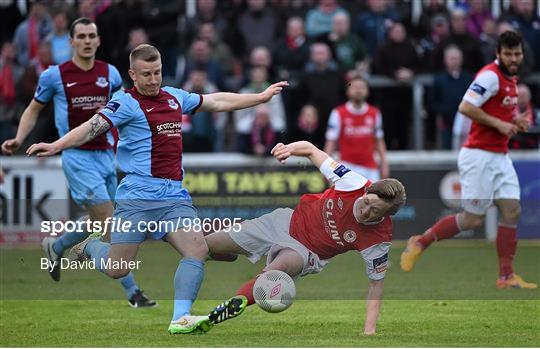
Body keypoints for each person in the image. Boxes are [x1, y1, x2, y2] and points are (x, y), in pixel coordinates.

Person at [26, 43, 288, 334]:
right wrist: (57, 145)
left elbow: (217, 101)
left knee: (197, 250)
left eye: (157, 73)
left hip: (174, 197)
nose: (153, 80)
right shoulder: (125, 103)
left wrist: (261, 97)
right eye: (146, 74)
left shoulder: (175, 97)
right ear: (133, 75)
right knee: (118, 269)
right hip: (137, 198)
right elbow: (91, 128)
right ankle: (89, 246)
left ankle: (180, 318)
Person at [2, 17, 156, 307]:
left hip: (106, 157)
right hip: (77, 157)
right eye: (81, 36)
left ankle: (56, 245)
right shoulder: (54, 76)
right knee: (111, 223)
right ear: (70, 42)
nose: (87, 41)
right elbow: (33, 110)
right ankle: (132, 291)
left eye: (91, 36)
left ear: (98, 41)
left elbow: (124, 110)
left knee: (104, 219)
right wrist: (19, 138)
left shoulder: (110, 74)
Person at [202, 140, 406, 335]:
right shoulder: (352, 181)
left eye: (375, 211)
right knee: (203, 246)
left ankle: (236, 302)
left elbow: (376, 284)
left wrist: (369, 331)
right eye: (368, 201)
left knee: (274, 272)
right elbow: (310, 150)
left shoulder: (379, 238)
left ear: (385, 216)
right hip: (284, 222)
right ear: (368, 190)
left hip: (306, 252)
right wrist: (287, 149)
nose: (366, 210)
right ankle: (227, 254)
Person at [400, 31, 537, 289]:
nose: (513, 58)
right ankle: (421, 242)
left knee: (512, 210)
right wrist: (499, 123)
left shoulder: (511, 79)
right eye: (508, 54)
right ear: (499, 54)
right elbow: (465, 106)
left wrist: (514, 121)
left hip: (500, 156)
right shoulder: (489, 76)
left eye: (517, 53)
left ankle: (506, 276)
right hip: (478, 155)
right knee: (473, 219)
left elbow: (498, 110)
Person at [324, 76, 388, 181]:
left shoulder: (374, 113)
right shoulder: (338, 113)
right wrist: (326, 166)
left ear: (367, 91)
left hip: (370, 168)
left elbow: (379, 140)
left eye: (362, 87)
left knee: (372, 197)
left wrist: (384, 164)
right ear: (348, 91)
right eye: (355, 87)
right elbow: (331, 141)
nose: (358, 90)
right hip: (346, 166)